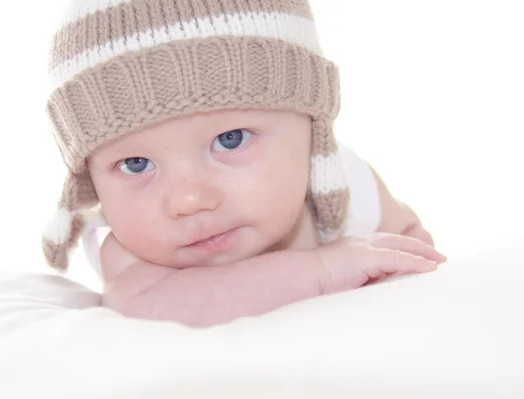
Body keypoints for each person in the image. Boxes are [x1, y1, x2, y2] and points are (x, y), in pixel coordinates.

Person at [41, 0, 447, 327]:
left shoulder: (346, 186)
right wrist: (320, 272)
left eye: (229, 140)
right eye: (135, 164)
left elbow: (412, 248)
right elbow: (154, 309)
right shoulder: (130, 258)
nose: (188, 198)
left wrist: (398, 289)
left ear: (310, 130)